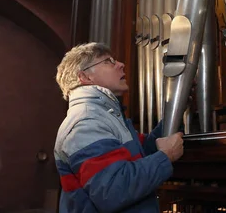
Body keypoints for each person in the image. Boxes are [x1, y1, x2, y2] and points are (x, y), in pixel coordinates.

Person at [53, 42, 184, 212]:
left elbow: (146, 148)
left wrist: (177, 109)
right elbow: (113, 191)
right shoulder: (86, 121)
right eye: (109, 61)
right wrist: (166, 156)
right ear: (85, 77)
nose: (121, 65)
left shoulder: (105, 116)